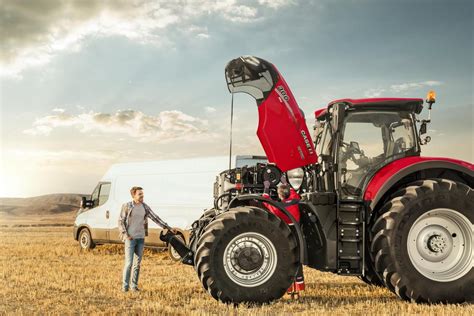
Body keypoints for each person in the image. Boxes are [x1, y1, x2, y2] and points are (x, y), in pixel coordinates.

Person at [118, 186, 176, 292]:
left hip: (140, 238)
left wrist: (168, 228)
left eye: (142, 194)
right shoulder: (127, 206)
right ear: (134, 195)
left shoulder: (145, 207)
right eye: (140, 194)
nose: (142, 196)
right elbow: (121, 221)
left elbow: (155, 218)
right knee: (129, 263)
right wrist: (126, 235)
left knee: (137, 264)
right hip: (130, 239)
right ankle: (125, 287)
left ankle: (134, 287)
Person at [262, 175, 305, 298]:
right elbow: (293, 193)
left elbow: (266, 201)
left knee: (288, 261)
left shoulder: (278, 207)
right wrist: (285, 182)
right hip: (297, 232)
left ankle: (291, 290)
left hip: (287, 234)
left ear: (280, 196)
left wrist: (266, 187)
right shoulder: (294, 200)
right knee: (297, 261)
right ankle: (298, 291)